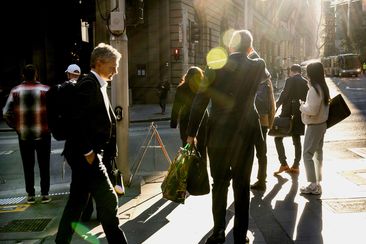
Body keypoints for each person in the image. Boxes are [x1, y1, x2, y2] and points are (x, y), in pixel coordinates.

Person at [186, 29, 266, 244]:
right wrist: (247, 49)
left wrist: (191, 134)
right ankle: (240, 235)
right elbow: (257, 62)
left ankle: (219, 232)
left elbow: (199, 103)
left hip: (218, 135)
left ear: (231, 46)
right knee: (242, 184)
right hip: (245, 134)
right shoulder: (257, 65)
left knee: (219, 184)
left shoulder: (214, 68)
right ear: (249, 48)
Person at [55, 43, 128, 243]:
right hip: (86, 156)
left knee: (76, 203)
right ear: (99, 63)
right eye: (113, 65)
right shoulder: (89, 84)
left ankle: (61, 241)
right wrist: (88, 152)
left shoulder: (98, 84)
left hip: (87, 155)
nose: (116, 70)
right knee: (108, 199)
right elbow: (76, 119)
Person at [2, 64, 52, 204]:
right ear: (36, 74)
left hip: (24, 135)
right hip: (43, 133)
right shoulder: (46, 90)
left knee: (28, 165)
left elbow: (6, 112)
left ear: (23, 75)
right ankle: (45, 194)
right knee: (44, 165)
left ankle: (30, 194)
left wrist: (16, 126)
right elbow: (54, 111)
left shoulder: (15, 91)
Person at [299, 62, 330, 195]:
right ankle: (317, 183)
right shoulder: (322, 87)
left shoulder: (314, 89)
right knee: (318, 154)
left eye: (307, 72)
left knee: (307, 154)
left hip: (314, 125)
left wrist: (301, 106)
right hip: (322, 124)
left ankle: (313, 184)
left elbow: (312, 110)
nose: (306, 74)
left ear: (312, 73)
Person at [273, 64, 308, 175]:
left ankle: (283, 164)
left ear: (292, 71)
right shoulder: (305, 82)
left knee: (278, 138)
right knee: (296, 140)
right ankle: (296, 165)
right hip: (299, 114)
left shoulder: (290, 80)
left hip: (287, 114)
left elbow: (284, 94)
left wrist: (276, 107)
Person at [249, 50, 276, 191]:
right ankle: (261, 179)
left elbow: (262, 104)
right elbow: (272, 104)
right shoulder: (266, 79)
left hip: (258, 120)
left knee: (258, 151)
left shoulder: (261, 82)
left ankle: (261, 180)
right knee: (261, 152)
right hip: (263, 121)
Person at [170, 66, 208, 157]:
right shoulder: (203, 88)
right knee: (202, 148)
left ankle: (188, 169)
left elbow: (176, 107)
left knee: (187, 147)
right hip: (202, 119)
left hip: (186, 119)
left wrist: (173, 123)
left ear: (187, 75)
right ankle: (202, 169)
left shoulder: (181, 88)